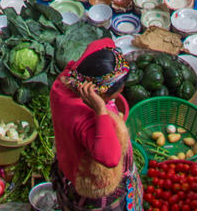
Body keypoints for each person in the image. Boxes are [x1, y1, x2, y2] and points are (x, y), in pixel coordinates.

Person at [49, 39, 142, 211]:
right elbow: (111, 158)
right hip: (92, 185)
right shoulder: (85, 119)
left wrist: (109, 57)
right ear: (99, 95)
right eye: (115, 96)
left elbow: (105, 42)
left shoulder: (68, 80)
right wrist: (100, 110)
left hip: (68, 162)